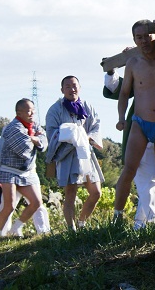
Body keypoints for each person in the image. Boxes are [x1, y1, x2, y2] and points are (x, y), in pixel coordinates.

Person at [112, 21, 155, 226]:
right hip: (140, 122)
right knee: (129, 169)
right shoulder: (133, 64)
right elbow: (123, 93)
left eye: (148, 36)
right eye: (139, 37)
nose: (144, 41)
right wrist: (121, 118)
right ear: (134, 40)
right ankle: (117, 216)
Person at [103, 66, 155, 228]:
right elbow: (120, 90)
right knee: (144, 175)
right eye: (139, 37)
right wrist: (111, 70)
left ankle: (142, 221)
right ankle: (148, 219)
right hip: (140, 123)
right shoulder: (137, 63)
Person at [45, 76, 104, 230]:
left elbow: (96, 125)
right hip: (67, 154)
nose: (72, 89)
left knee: (96, 192)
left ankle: (82, 223)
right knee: (70, 194)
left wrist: (88, 137)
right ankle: (72, 229)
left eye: (74, 85)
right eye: (68, 86)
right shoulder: (55, 109)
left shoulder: (86, 106)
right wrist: (68, 134)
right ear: (62, 90)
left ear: (79, 87)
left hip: (85, 153)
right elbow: (51, 132)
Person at [0, 99, 48, 236]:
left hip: (27, 172)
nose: (32, 113)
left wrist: (35, 140)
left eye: (33, 110)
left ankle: (16, 227)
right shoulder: (13, 127)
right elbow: (24, 149)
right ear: (19, 112)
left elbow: (44, 139)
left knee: (36, 202)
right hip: (9, 170)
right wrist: (35, 139)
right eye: (29, 111)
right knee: (9, 205)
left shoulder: (34, 125)